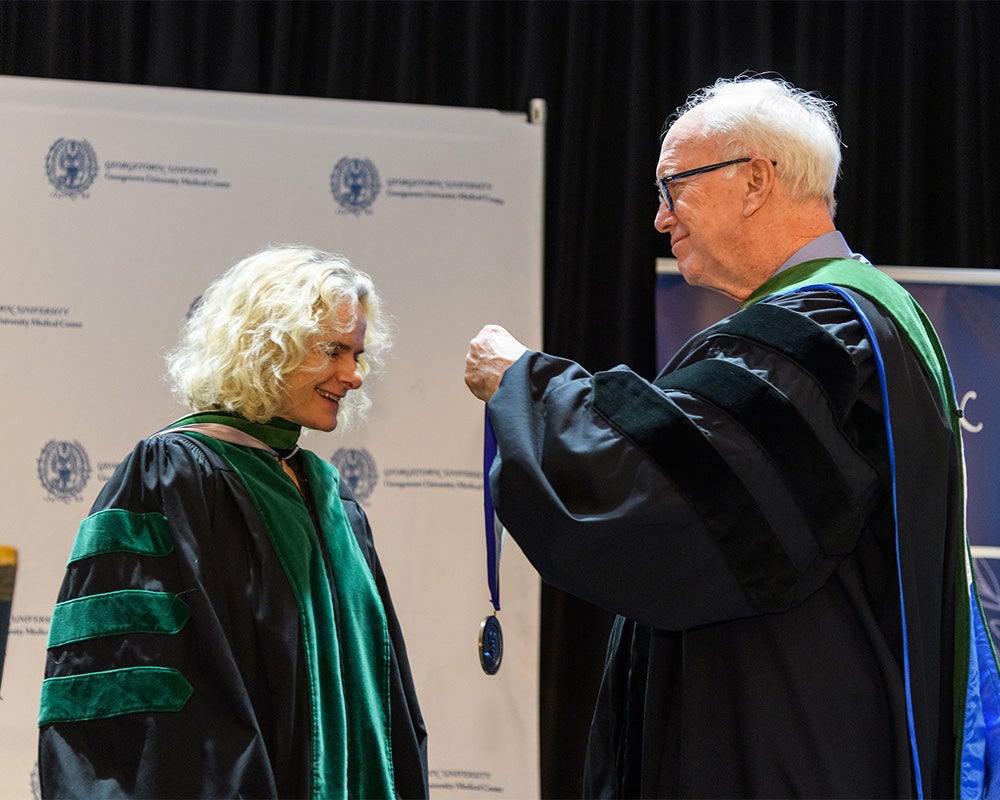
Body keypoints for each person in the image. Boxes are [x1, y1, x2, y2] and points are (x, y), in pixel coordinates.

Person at [465, 76, 998, 798]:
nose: (660, 217)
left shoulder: (819, 330)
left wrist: (526, 385)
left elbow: (669, 502)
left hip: (787, 748)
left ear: (754, 180)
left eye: (672, 187)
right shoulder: (875, 316)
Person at [38, 245, 428, 799]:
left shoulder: (332, 500)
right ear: (267, 347)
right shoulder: (172, 476)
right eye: (333, 351)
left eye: (357, 355)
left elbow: (384, 701)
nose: (354, 375)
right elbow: (137, 690)